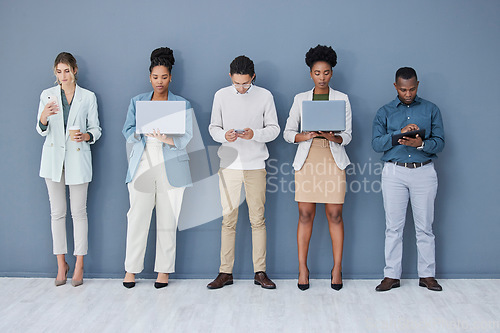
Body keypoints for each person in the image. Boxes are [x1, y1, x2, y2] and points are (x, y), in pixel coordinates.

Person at [122, 47, 193, 289]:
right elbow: (127, 131)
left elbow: (188, 137)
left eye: (164, 77)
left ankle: (163, 271)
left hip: (171, 162)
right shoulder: (138, 101)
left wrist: (167, 138)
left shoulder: (181, 104)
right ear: (149, 77)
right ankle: (131, 269)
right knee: (137, 217)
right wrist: (140, 132)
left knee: (167, 218)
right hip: (143, 162)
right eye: (155, 77)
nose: (159, 82)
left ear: (170, 77)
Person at [207, 55, 280, 289]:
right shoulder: (220, 95)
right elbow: (213, 128)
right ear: (230, 77)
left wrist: (254, 134)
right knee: (228, 221)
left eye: (245, 84)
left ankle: (260, 272)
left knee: (257, 220)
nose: (241, 88)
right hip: (229, 166)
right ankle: (225, 272)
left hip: (256, 165)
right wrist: (223, 135)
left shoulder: (265, 96)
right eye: (237, 83)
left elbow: (274, 129)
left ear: (253, 78)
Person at [283, 45, 352, 291]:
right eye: (317, 73)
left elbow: (349, 136)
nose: (322, 77)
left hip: (332, 159)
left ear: (332, 73)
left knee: (335, 215)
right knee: (305, 215)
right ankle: (303, 268)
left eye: (326, 72)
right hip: (308, 158)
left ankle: (337, 268)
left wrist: (332, 136)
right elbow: (287, 133)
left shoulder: (342, 98)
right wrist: (307, 135)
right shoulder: (300, 99)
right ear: (310, 74)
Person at [372, 67, 445, 292]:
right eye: (403, 89)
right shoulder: (384, 112)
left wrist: (420, 144)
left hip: (424, 171)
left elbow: (440, 142)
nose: (408, 93)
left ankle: (427, 275)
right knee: (393, 227)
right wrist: (399, 135)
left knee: (425, 227)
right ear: (395, 87)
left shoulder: (431, 109)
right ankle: (391, 276)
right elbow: (376, 144)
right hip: (394, 172)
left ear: (417, 85)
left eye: (412, 89)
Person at [36, 52, 102, 287]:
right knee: (57, 213)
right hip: (53, 160)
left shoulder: (88, 97)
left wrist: (86, 136)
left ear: (75, 70)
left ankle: (80, 264)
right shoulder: (47, 96)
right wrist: (43, 117)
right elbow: (41, 129)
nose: (63, 76)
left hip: (77, 158)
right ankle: (61, 264)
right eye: (58, 71)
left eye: (67, 70)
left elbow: (96, 128)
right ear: (55, 73)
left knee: (79, 212)